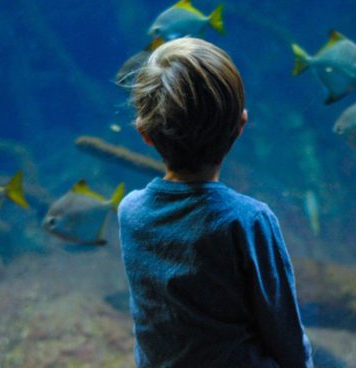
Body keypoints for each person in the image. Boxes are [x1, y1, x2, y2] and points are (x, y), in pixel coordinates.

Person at [118, 37, 313, 368]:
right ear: (240, 126)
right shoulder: (248, 220)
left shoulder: (130, 213)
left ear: (144, 133)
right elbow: (284, 332)